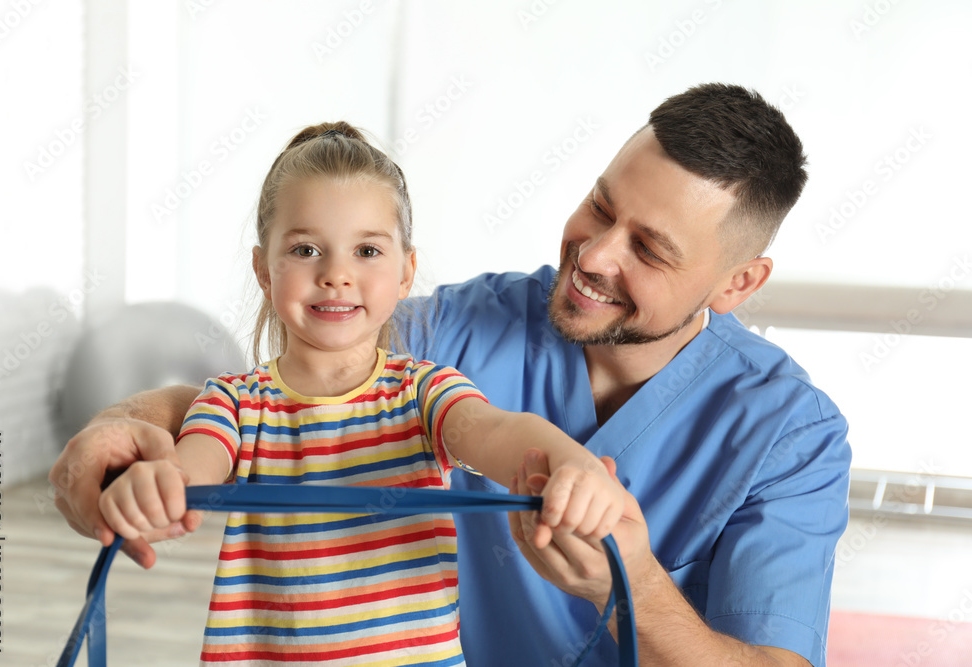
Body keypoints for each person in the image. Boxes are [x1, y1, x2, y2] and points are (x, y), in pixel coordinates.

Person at [51, 83, 851, 667]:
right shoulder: (461, 328)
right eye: (600, 207)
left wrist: (631, 583)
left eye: (649, 248)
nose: (595, 255)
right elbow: (297, 393)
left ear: (736, 284)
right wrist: (122, 426)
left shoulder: (791, 434)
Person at [94, 122, 623, 666]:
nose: (336, 274)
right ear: (263, 269)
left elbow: (499, 433)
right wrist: (159, 488)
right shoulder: (232, 403)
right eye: (305, 249)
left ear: (405, 272)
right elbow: (190, 467)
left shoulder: (425, 392)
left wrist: (571, 465)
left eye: (367, 250)